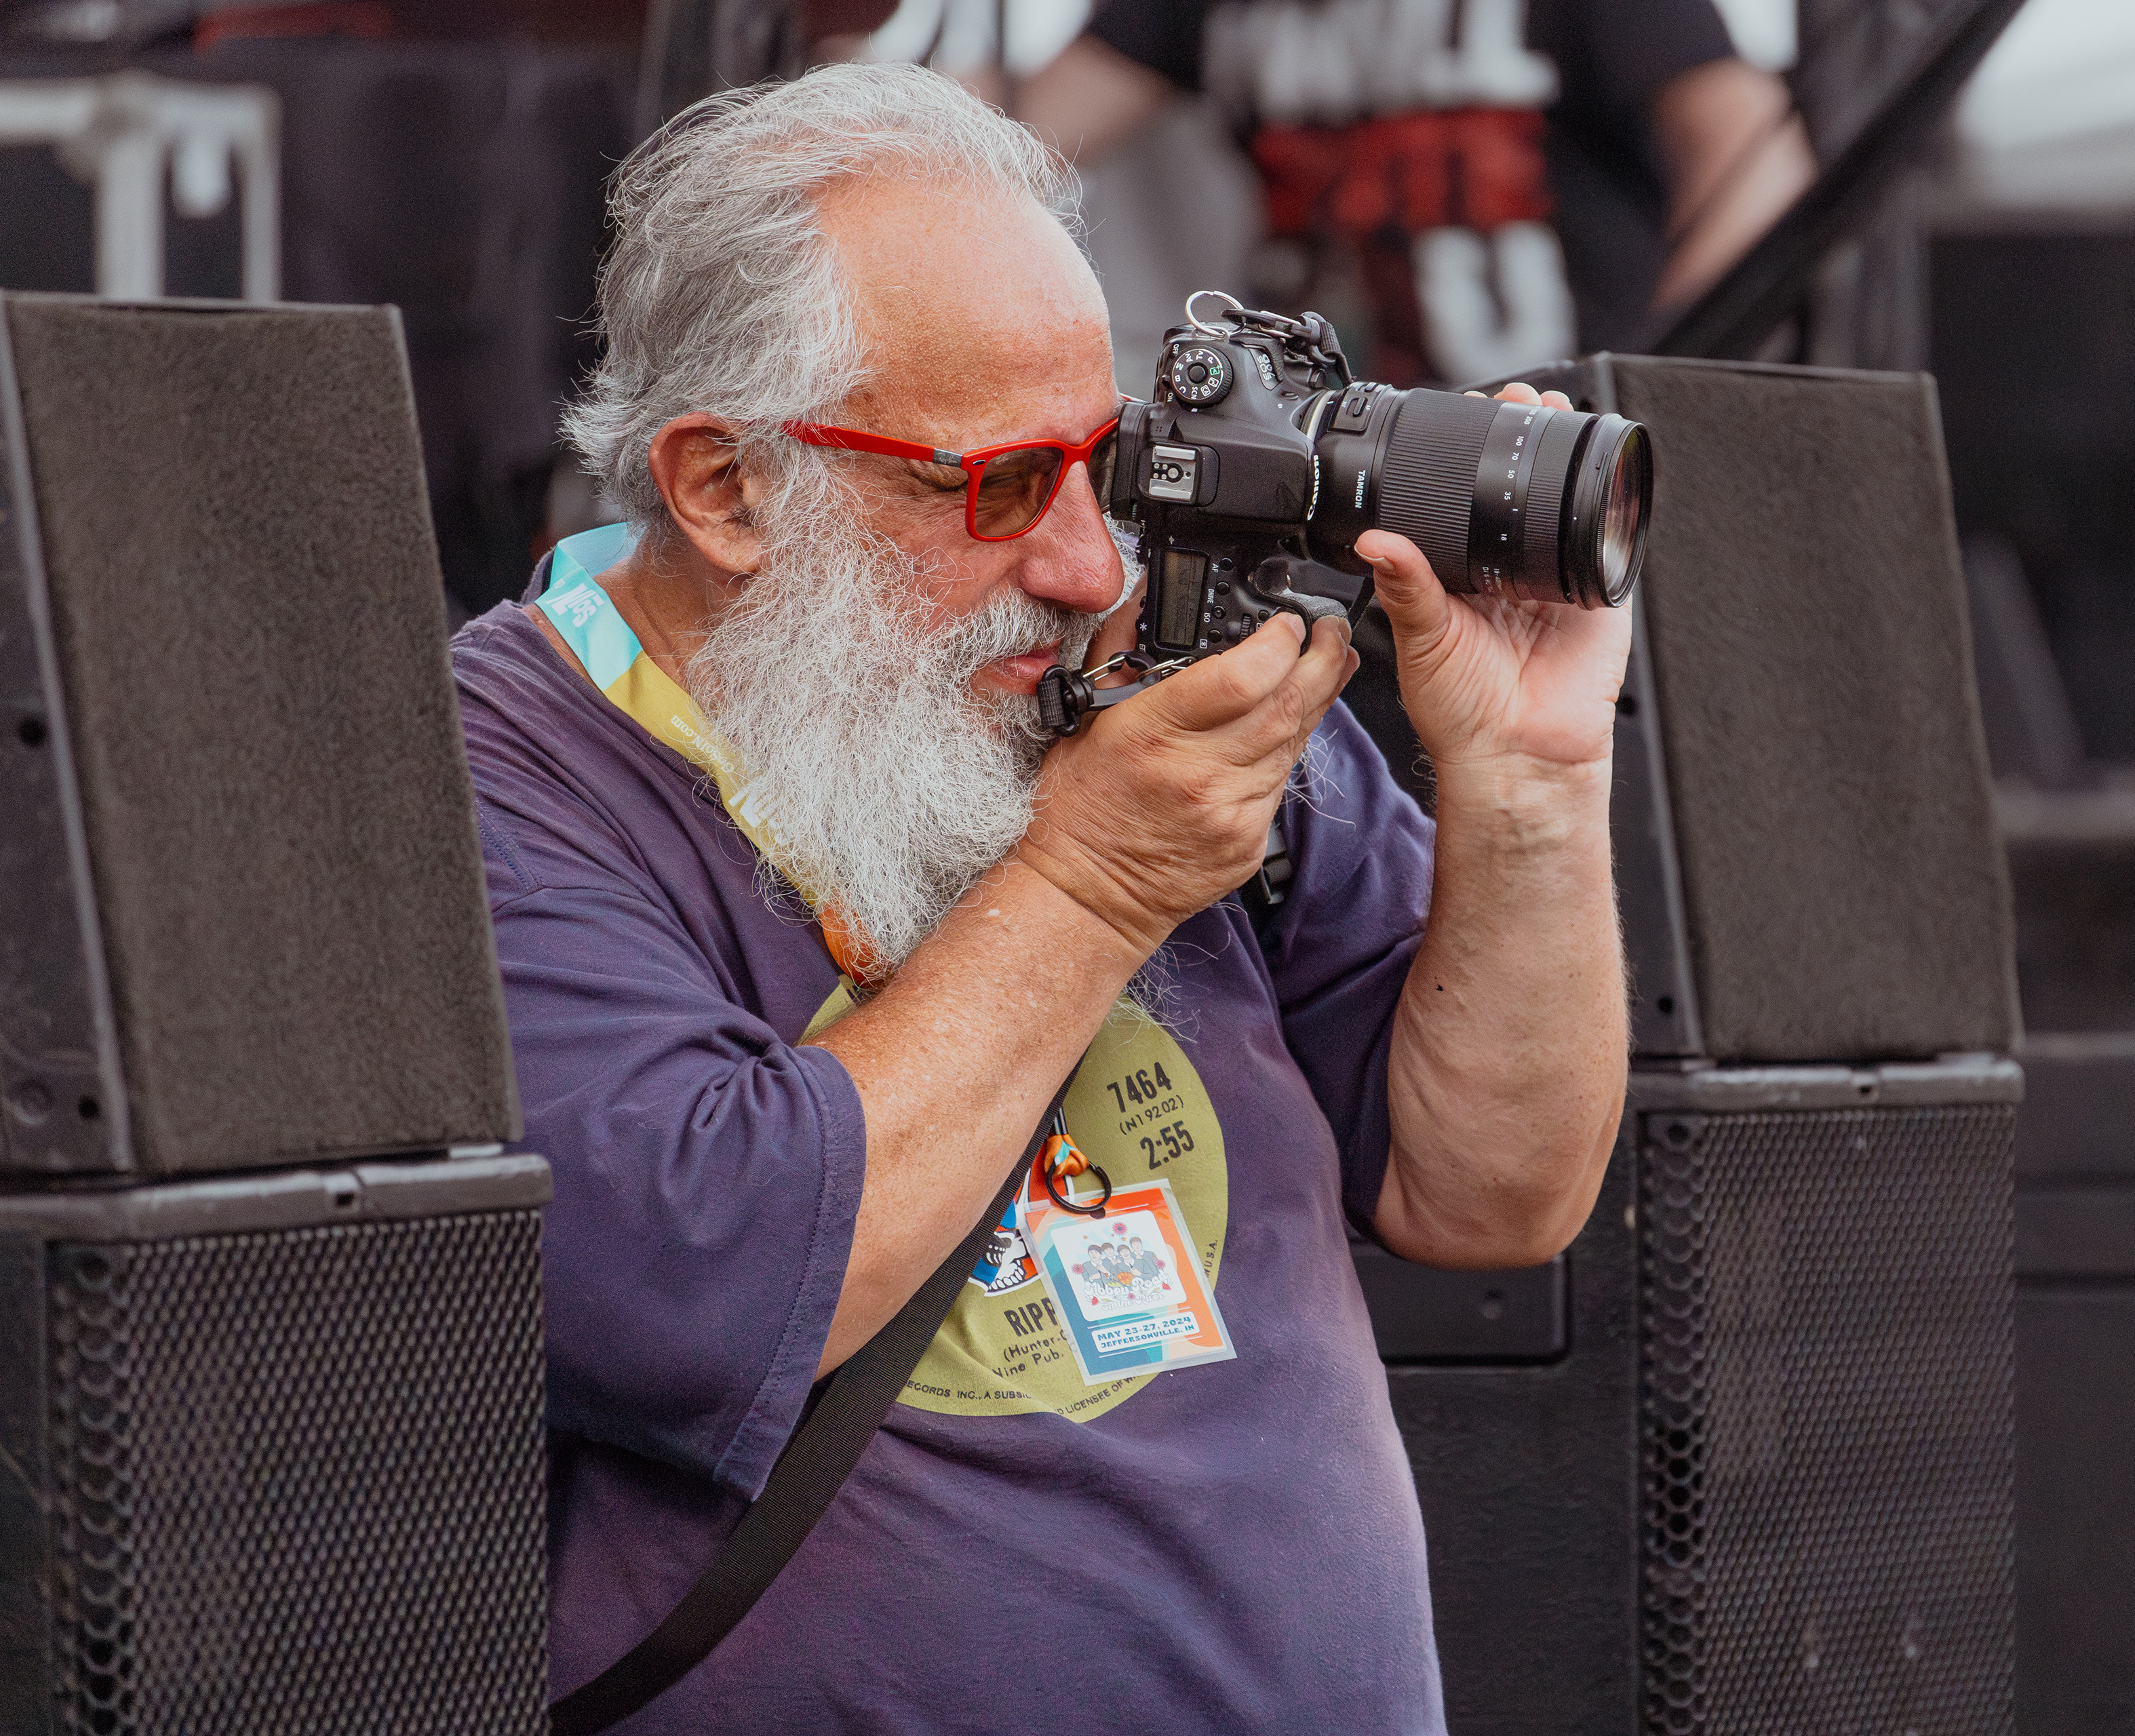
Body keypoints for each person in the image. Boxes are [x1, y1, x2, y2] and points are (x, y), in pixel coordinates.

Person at [448, 61, 1628, 1731]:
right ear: (725, 488)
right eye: (998, 484)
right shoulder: (507, 774)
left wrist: (1529, 782)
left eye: (1110, 462)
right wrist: (1091, 878)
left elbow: (1491, 1196)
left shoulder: (1143, 673)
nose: (1090, 566)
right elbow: (699, 1285)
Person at [1016, 0, 1814, 384]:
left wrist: (1649, 383)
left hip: (1555, 436)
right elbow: (1005, 146)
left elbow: (1758, 156)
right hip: (1340, 441)